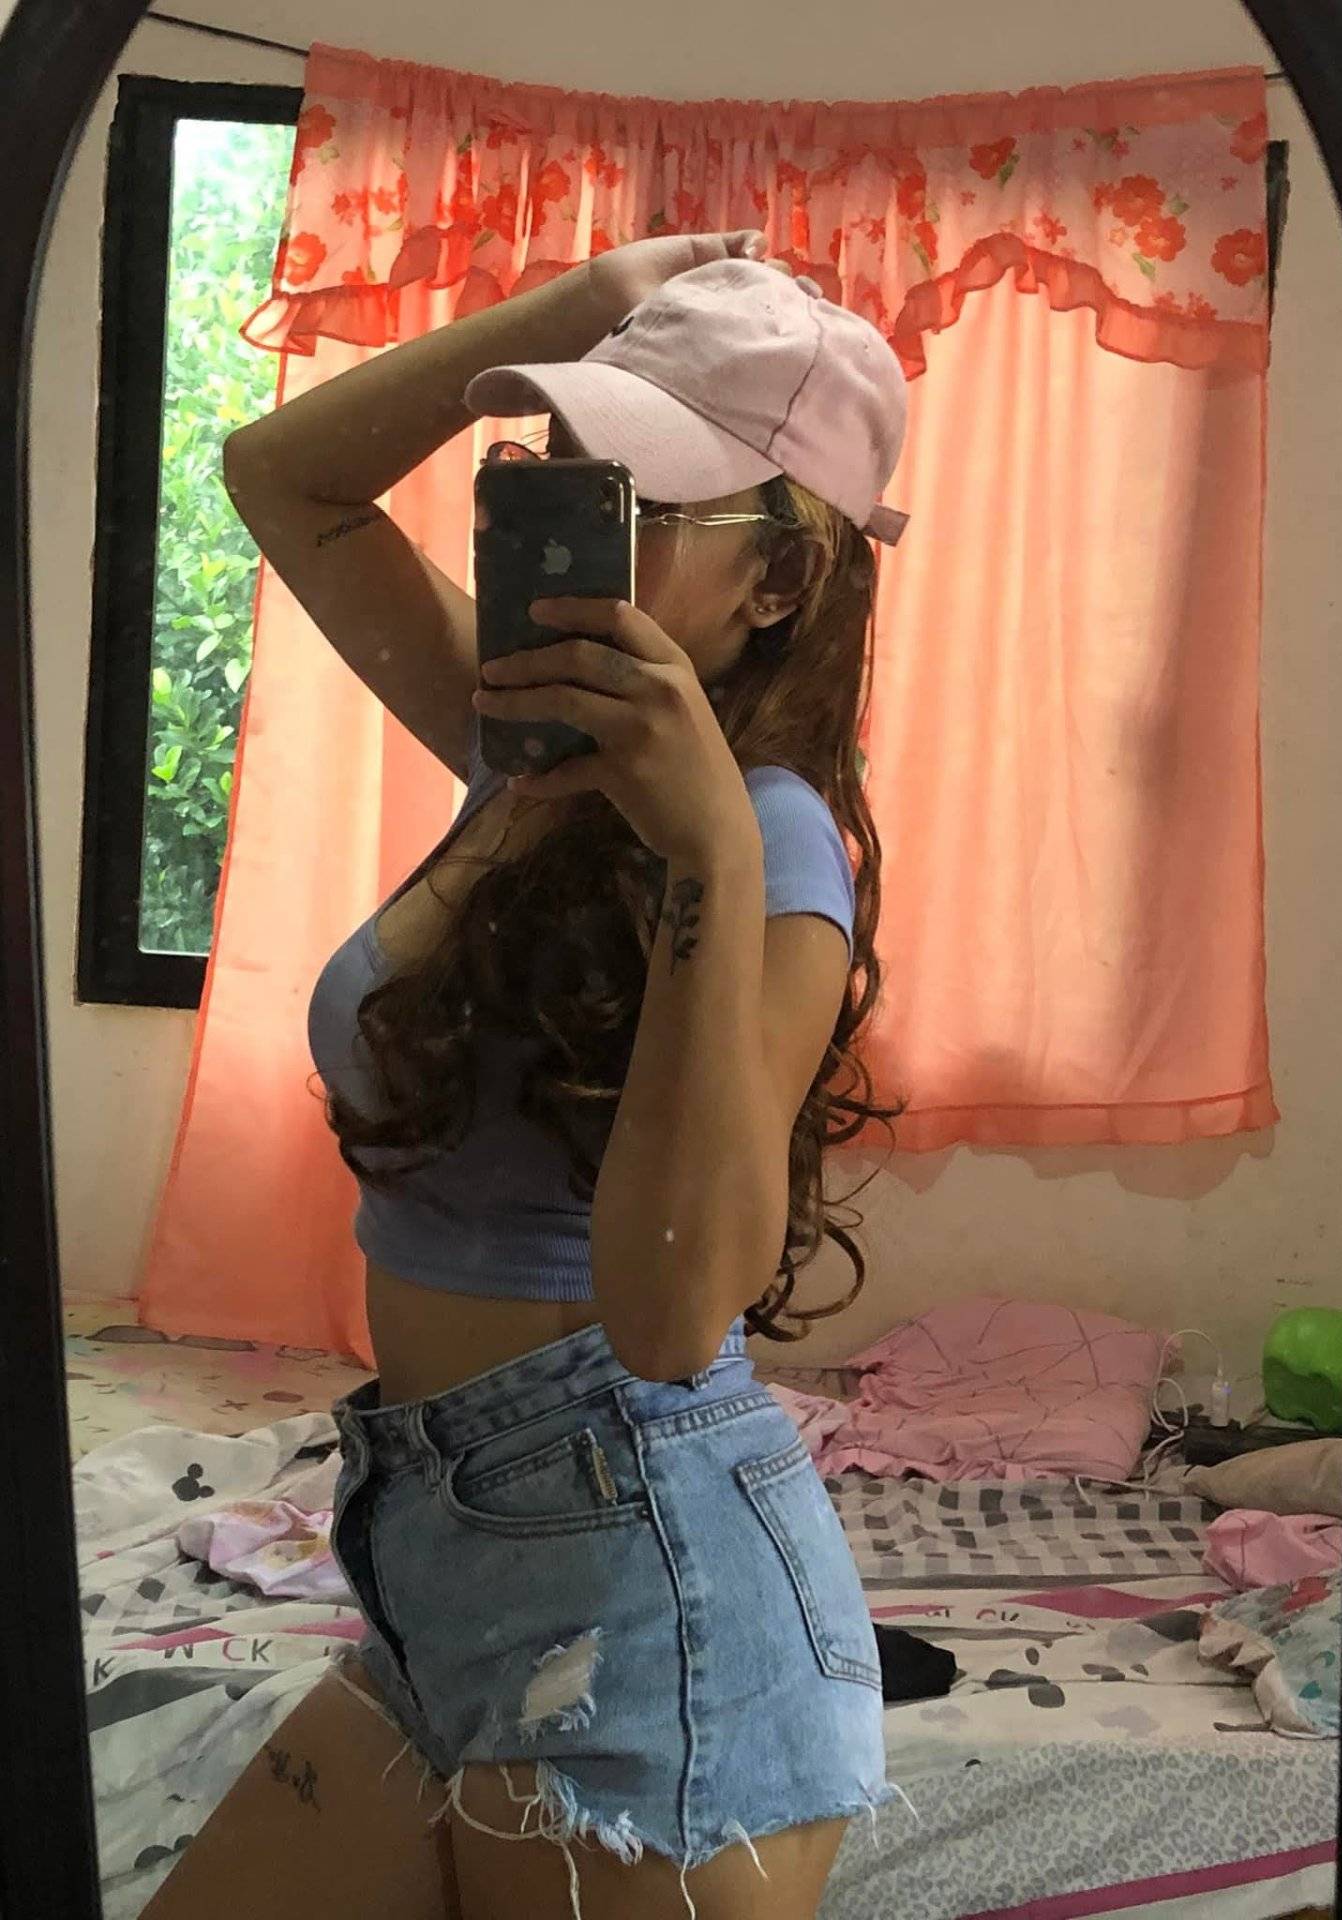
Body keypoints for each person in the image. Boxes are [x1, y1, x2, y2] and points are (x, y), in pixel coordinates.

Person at [145, 229, 913, 1920]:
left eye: (640, 497)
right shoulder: (526, 756)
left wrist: (705, 852)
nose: (565, 531)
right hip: (440, 1546)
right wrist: (581, 311)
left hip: (647, 1586)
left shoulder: (774, 847)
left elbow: (674, 1316)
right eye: (558, 475)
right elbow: (283, 477)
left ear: (779, 581)